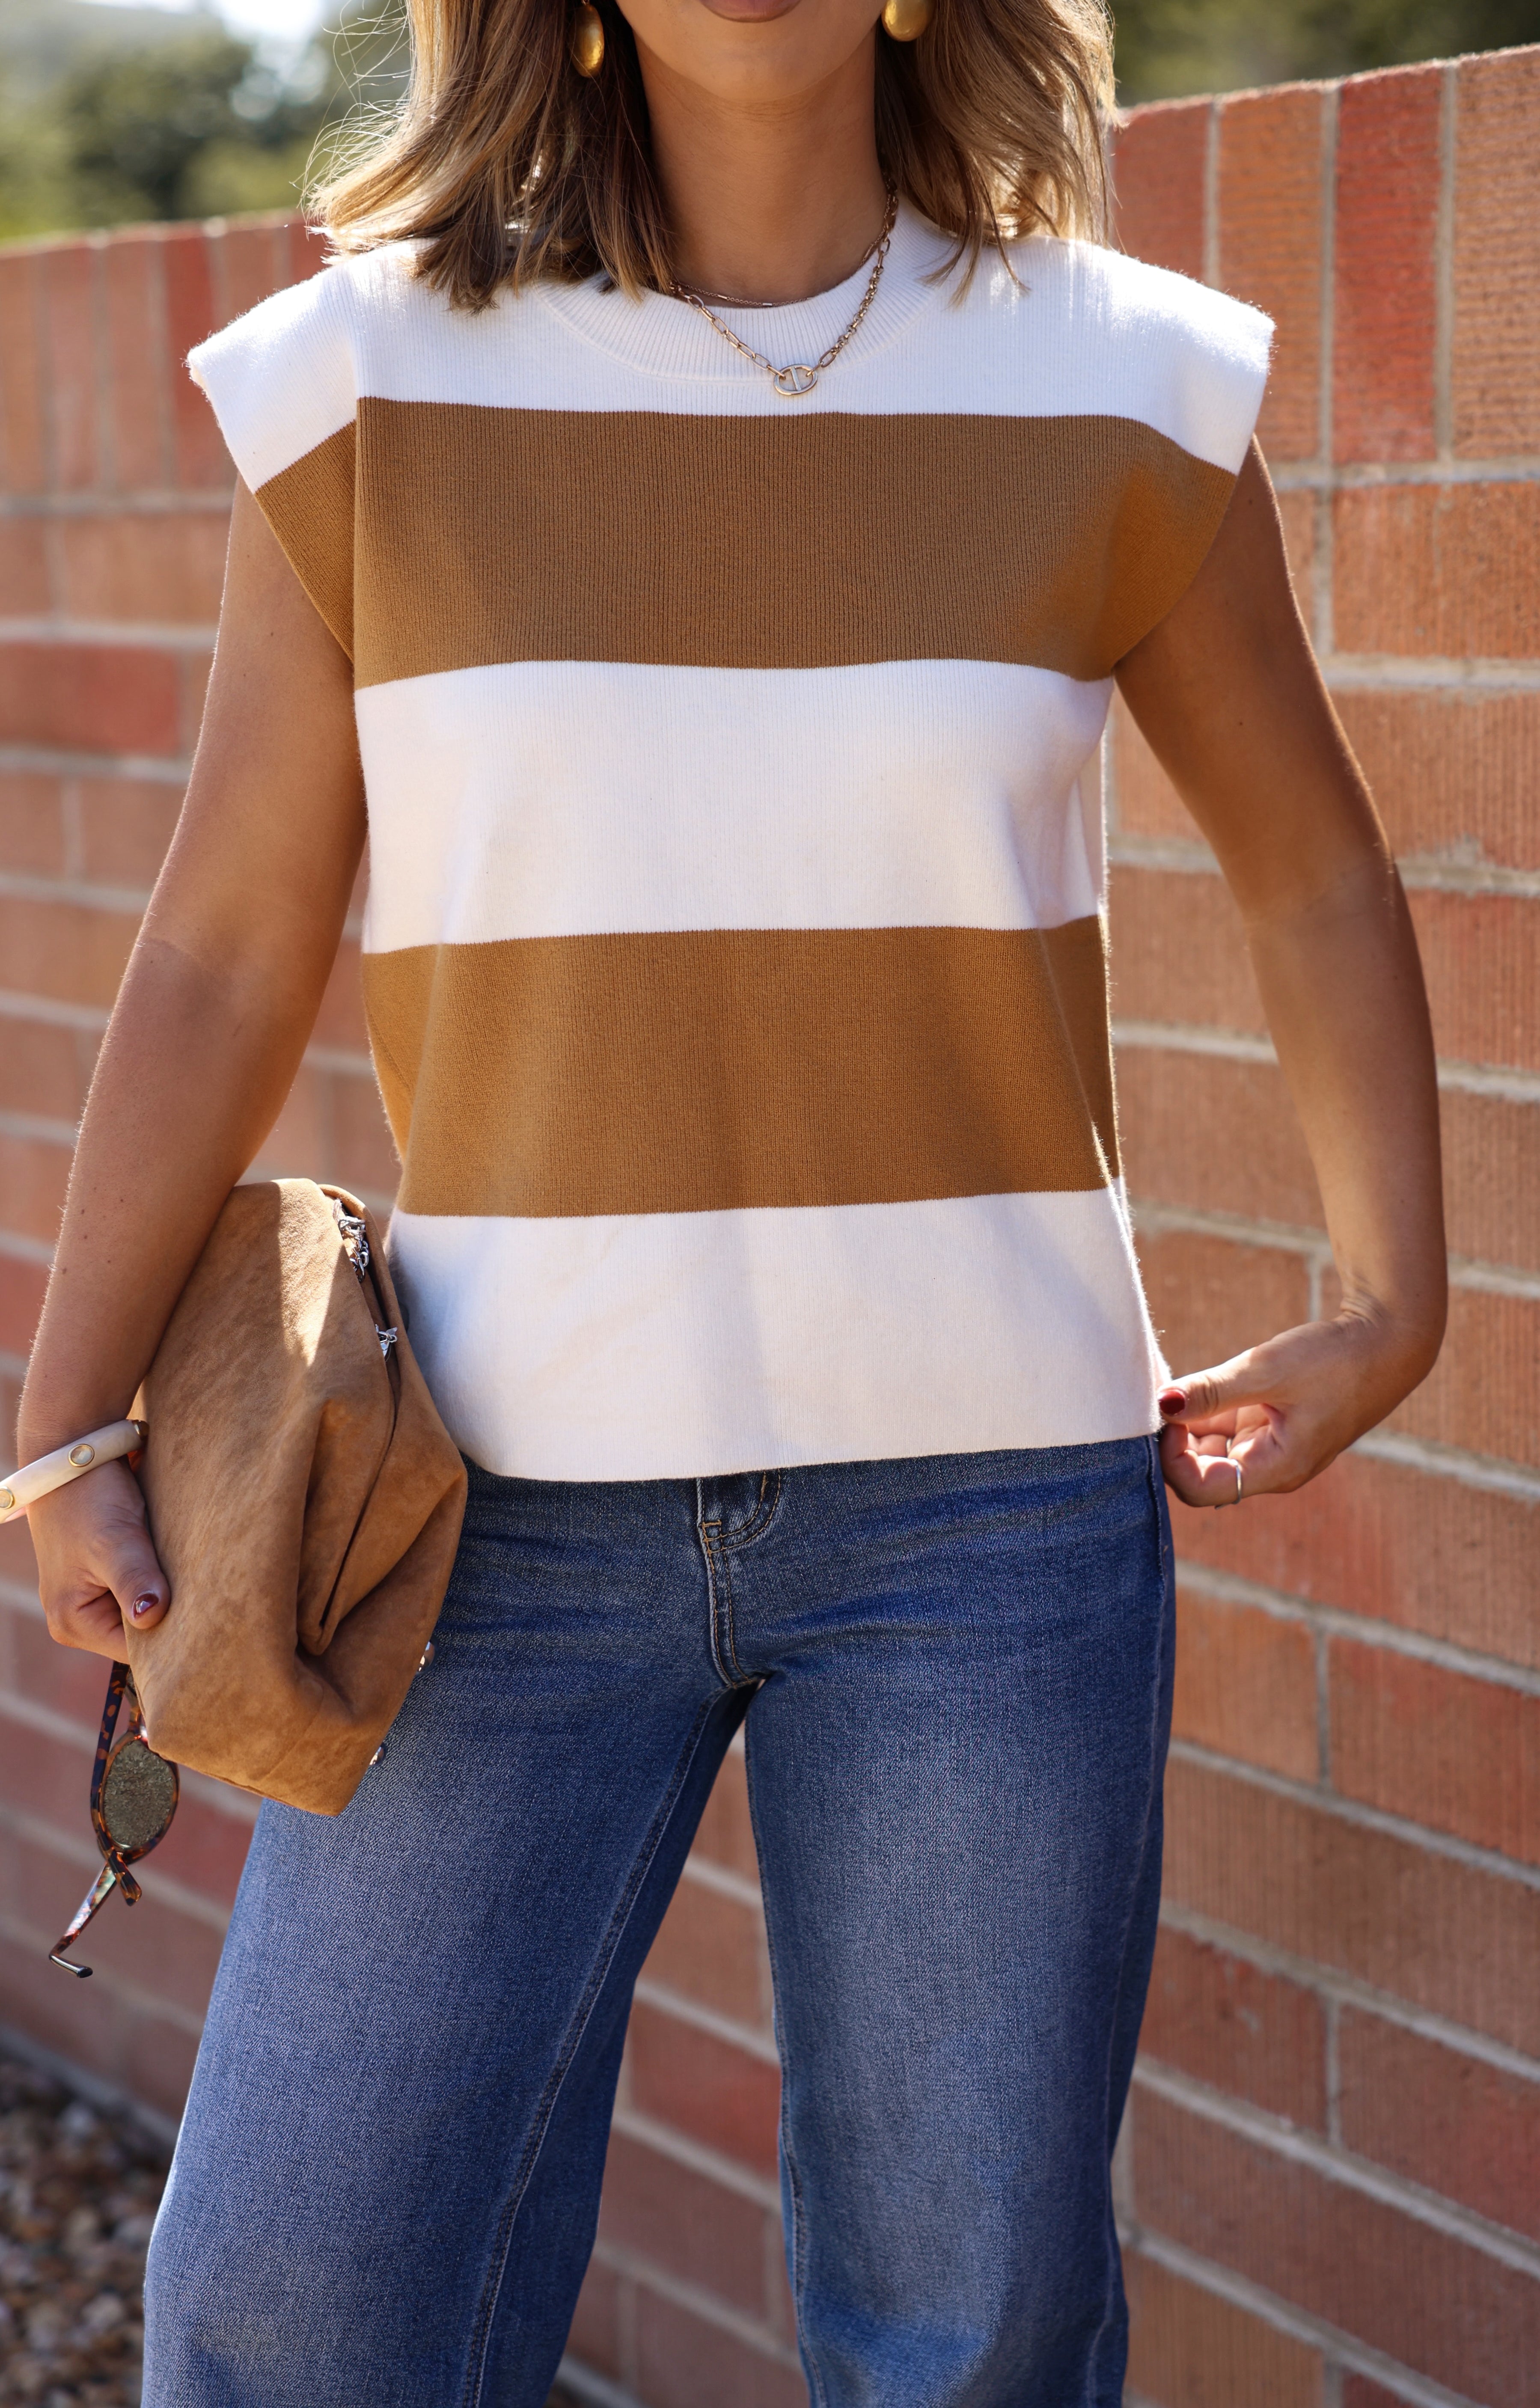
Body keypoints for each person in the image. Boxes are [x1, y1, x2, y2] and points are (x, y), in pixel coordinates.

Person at [19, 0, 1445, 2399]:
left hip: (992, 1525)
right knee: (291, 2310)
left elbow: (1312, 869)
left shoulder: (1128, 376)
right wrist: (68, 1419)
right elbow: (225, 949)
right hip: (485, 1520)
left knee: (972, 2340)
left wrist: (1396, 1298)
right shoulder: (366, 379)